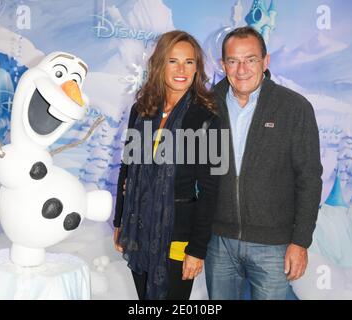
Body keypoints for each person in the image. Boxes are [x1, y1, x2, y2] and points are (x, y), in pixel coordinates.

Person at [205, 26, 323, 300]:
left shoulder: (294, 108)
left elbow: (309, 178)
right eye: (233, 61)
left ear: (266, 62)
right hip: (218, 243)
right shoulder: (207, 106)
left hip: (274, 246)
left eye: (251, 59)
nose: (242, 69)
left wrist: (300, 242)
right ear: (223, 65)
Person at [113, 30, 220, 300]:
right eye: (173, 61)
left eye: (189, 62)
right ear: (160, 64)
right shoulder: (142, 110)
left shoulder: (206, 117)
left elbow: (211, 191)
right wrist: (119, 221)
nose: (182, 69)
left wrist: (197, 249)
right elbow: (127, 168)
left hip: (178, 236)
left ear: (198, 68)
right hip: (137, 228)